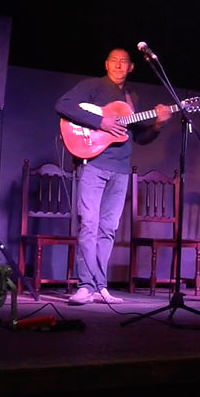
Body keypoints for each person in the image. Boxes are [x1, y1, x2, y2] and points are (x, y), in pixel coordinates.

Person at [56, 48, 171, 305]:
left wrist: (158, 124)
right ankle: (85, 285)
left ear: (131, 68)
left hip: (121, 170)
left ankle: (100, 285)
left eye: (124, 62)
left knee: (108, 229)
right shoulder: (93, 86)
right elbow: (62, 105)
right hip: (93, 164)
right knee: (89, 223)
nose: (119, 65)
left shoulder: (132, 98)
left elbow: (140, 137)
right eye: (114, 61)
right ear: (106, 64)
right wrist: (100, 123)